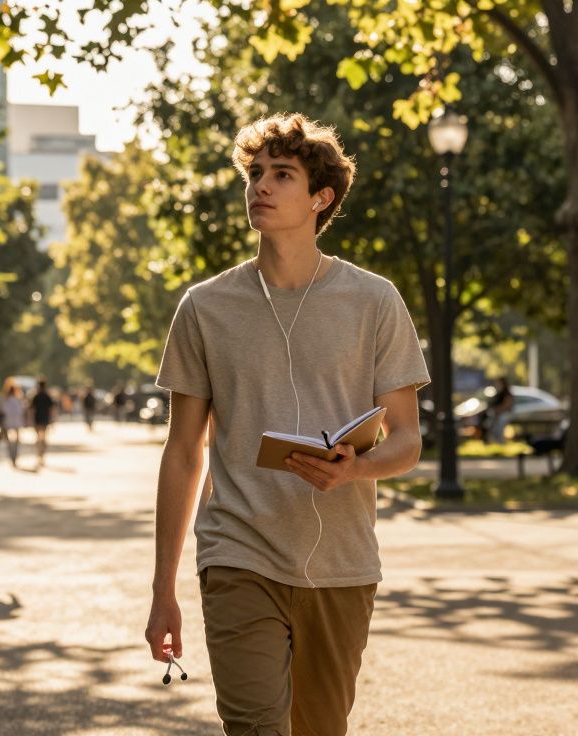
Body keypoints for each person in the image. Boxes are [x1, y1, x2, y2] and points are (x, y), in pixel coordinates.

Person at [144, 113, 430, 736]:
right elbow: (183, 453)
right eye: (254, 174)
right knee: (253, 727)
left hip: (343, 563)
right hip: (238, 549)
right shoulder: (204, 307)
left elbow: (406, 440)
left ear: (320, 197)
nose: (260, 187)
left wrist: (357, 467)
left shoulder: (374, 300)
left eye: (281, 175)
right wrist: (164, 589)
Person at [0, 378, 27, 468]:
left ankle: (13, 455)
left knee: (11, 441)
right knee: (14, 440)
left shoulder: (7, 398)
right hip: (13, 421)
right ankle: (13, 456)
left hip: (11, 421)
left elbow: (2, 410)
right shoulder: (14, 398)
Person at [29, 379, 55, 466]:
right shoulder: (47, 396)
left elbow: (32, 410)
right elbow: (51, 409)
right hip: (44, 419)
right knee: (43, 438)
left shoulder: (36, 396)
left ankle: (40, 454)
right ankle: (41, 454)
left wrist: (30, 420)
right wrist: (52, 420)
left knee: (39, 438)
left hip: (38, 419)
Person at [487, 376, 515, 445]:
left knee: (501, 421)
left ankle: (501, 441)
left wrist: (497, 411)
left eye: (499, 383)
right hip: (497, 414)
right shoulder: (498, 394)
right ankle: (493, 441)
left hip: (506, 414)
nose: (498, 385)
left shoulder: (507, 394)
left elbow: (507, 406)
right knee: (490, 422)